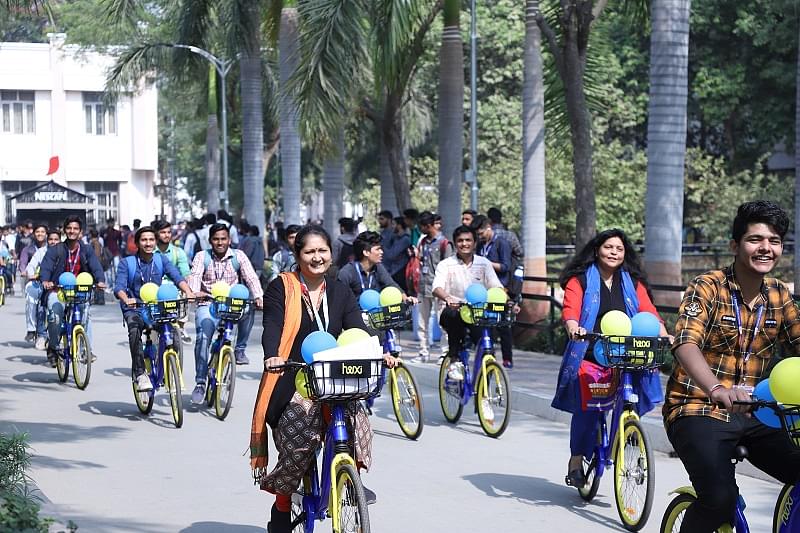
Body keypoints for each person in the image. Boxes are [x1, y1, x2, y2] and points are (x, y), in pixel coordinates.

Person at [666, 201, 800, 532]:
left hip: (756, 412)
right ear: (735, 245)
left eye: (774, 241)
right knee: (719, 500)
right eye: (755, 239)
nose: (766, 248)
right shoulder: (707, 286)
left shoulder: (779, 295)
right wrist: (716, 388)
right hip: (697, 408)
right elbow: (685, 342)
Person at [250, 225, 395, 532]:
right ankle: (282, 504)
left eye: (322, 251)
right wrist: (273, 355)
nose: (317, 257)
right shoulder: (282, 287)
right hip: (294, 376)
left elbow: (356, 328)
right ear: (297, 255)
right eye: (310, 251)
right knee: (297, 439)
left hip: (332, 376)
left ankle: (351, 478)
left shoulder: (340, 290)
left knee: (357, 421)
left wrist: (378, 352)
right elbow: (272, 325)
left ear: (331, 253)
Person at [554, 228, 669, 488]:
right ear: (597, 250)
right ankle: (576, 460)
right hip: (592, 351)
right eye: (608, 247)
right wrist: (573, 327)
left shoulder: (633, 283)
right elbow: (570, 309)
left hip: (628, 352)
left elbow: (649, 312)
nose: (614, 252)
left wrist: (665, 335)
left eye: (619, 249)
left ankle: (627, 436)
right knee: (588, 410)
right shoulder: (580, 280)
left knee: (633, 398)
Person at [187, 223, 264, 403]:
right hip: (209, 303)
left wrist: (258, 296)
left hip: (232, 304)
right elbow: (195, 276)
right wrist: (194, 292)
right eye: (216, 239)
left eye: (223, 239)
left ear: (229, 240)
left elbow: (251, 277)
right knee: (203, 338)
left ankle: (240, 349)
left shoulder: (239, 256)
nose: (220, 242)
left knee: (249, 309)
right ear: (210, 240)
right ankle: (200, 382)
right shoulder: (202, 256)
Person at [114, 226, 194, 391]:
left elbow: (177, 276)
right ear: (137, 243)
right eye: (144, 240)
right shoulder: (127, 263)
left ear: (155, 242)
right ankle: (140, 373)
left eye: (151, 240)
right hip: (135, 307)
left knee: (173, 333)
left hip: (155, 307)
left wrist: (188, 292)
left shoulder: (161, 260)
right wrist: (126, 299)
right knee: (134, 331)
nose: (148, 243)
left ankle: (168, 367)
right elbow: (119, 287)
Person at [39, 216, 107, 366]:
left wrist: (100, 280)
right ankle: (53, 346)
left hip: (79, 290)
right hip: (58, 290)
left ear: (80, 231)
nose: (72, 231)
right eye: (69, 228)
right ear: (65, 231)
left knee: (85, 313)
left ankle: (86, 350)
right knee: (55, 315)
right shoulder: (56, 250)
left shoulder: (87, 249)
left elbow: (96, 266)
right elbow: (46, 267)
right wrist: (45, 280)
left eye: (75, 228)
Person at [432, 224, 503, 361]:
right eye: (460, 241)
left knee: (485, 345)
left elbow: (496, 287)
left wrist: (509, 301)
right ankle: (454, 359)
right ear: (455, 244)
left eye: (468, 240)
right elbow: (436, 287)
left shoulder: (484, 263)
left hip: (477, 313)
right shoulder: (445, 264)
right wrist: (448, 298)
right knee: (453, 322)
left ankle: (487, 367)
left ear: (475, 243)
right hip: (454, 311)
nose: (464, 244)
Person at [473, 215, 515, 368]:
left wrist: (487, 264)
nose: (480, 237)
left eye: (481, 233)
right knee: (485, 324)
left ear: (488, 227)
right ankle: (489, 355)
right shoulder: (480, 245)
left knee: (503, 325)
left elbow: (505, 267)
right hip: (483, 290)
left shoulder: (501, 243)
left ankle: (507, 358)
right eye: (478, 234)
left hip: (500, 290)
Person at [412, 212, 453, 363]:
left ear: (428, 225)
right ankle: (423, 352)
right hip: (423, 287)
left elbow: (449, 266)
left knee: (444, 323)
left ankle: (445, 353)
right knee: (422, 323)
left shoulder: (444, 243)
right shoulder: (423, 242)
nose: (420, 230)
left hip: (439, 289)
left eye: (421, 227)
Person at [152, 219, 192, 344]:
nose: (167, 235)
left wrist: (188, 287)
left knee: (187, 292)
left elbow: (185, 273)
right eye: (163, 232)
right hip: (156, 289)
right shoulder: (150, 252)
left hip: (174, 289)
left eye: (169, 232)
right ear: (156, 234)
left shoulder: (178, 252)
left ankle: (181, 327)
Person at [336, 231, 408, 299]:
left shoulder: (378, 267)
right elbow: (339, 299)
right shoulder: (346, 273)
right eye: (378, 249)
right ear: (366, 252)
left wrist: (406, 298)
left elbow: (391, 284)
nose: (381, 252)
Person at [23, 227, 58, 351]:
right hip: (43, 284)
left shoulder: (64, 251)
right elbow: (31, 266)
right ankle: (37, 332)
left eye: (56, 239)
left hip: (60, 286)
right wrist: (31, 275)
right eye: (51, 239)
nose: (53, 242)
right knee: (36, 297)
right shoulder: (41, 252)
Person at [382, 217, 411, 292]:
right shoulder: (395, 238)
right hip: (393, 271)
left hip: (400, 272)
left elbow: (391, 255)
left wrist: (382, 246)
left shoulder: (405, 239)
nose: (392, 227)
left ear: (399, 226)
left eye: (393, 224)